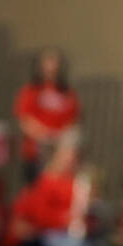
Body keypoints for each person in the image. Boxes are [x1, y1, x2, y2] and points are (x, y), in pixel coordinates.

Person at [15, 47, 80, 185]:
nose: (51, 66)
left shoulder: (68, 94)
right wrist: (46, 136)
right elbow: (25, 121)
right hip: (35, 153)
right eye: (48, 61)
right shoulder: (30, 91)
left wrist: (60, 139)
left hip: (60, 156)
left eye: (55, 62)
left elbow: (73, 123)